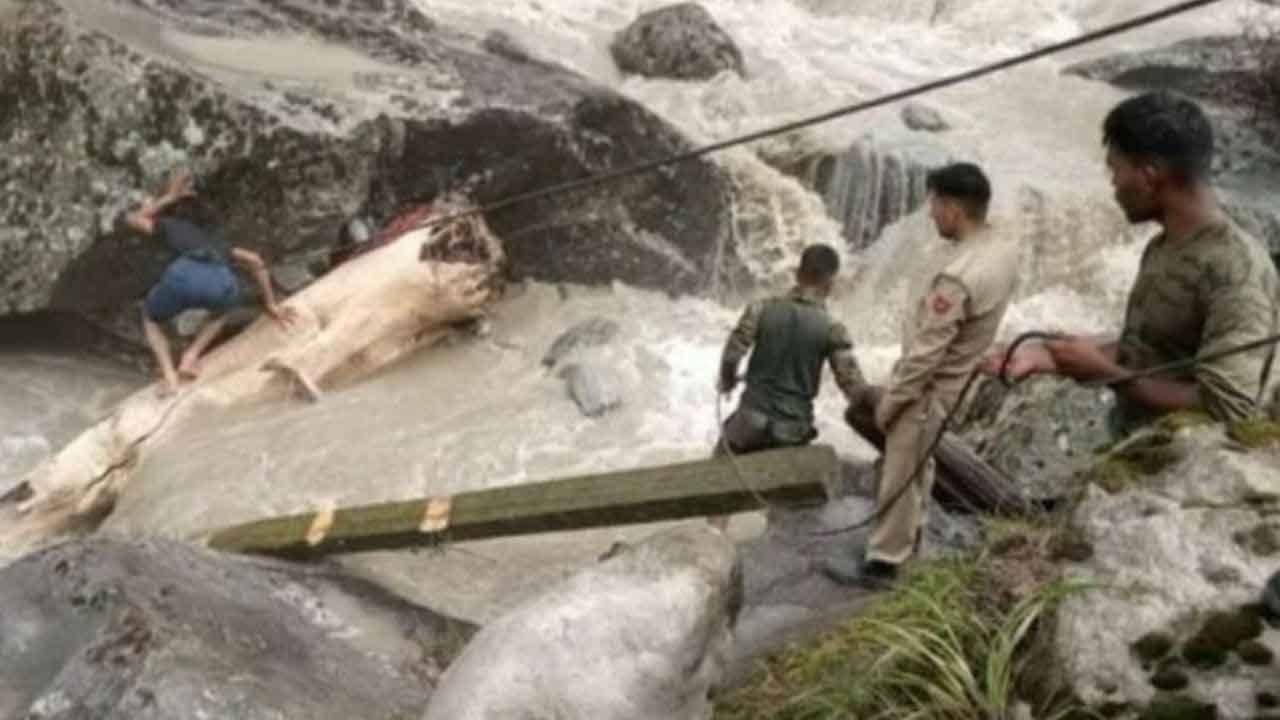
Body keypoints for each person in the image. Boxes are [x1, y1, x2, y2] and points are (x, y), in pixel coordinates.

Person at [982, 91, 1280, 437]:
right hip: (1139, 453)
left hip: (1187, 478)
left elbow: (1228, 406)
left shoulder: (1237, 271)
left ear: (1149, 175)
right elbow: (1147, 350)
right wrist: (1046, 357)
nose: (1113, 186)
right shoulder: (1163, 246)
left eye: (1115, 170)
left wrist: (1106, 374)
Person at [823, 162, 1020, 587]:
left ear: (952, 207)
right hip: (953, 387)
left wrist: (891, 403)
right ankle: (913, 541)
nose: (931, 215)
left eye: (934, 205)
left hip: (927, 391)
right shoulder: (1001, 248)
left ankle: (884, 564)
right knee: (918, 465)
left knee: (900, 468)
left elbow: (925, 356)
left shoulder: (958, 277)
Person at [711, 243, 868, 531]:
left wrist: (728, 379)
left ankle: (714, 532)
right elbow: (852, 385)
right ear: (830, 283)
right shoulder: (833, 328)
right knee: (784, 500)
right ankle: (773, 544)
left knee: (723, 464)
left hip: (749, 420)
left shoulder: (761, 309)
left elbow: (733, 351)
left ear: (797, 273)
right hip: (792, 429)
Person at [125, 169, 297, 394]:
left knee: (150, 318)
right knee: (222, 313)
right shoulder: (219, 241)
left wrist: (170, 196)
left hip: (182, 276)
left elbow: (134, 219)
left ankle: (170, 377)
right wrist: (270, 303)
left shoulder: (173, 227)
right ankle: (190, 357)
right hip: (217, 281)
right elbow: (255, 260)